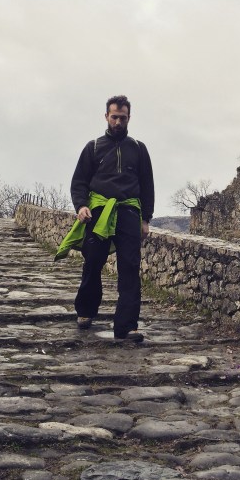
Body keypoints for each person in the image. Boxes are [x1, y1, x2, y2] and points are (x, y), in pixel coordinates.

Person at [70, 95, 154, 342]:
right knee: (93, 262)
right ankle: (86, 310)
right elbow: (79, 181)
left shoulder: (138, 148)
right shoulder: (93, 147)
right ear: (106, 116)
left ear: (129, 118)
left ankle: (127, 326)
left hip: (129, 212)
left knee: (130, 268)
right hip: (98, 214)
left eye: (123, 118)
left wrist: (146, 219)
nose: (118, 122)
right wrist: (81, 205)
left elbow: (147, 185)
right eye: (114, 117)